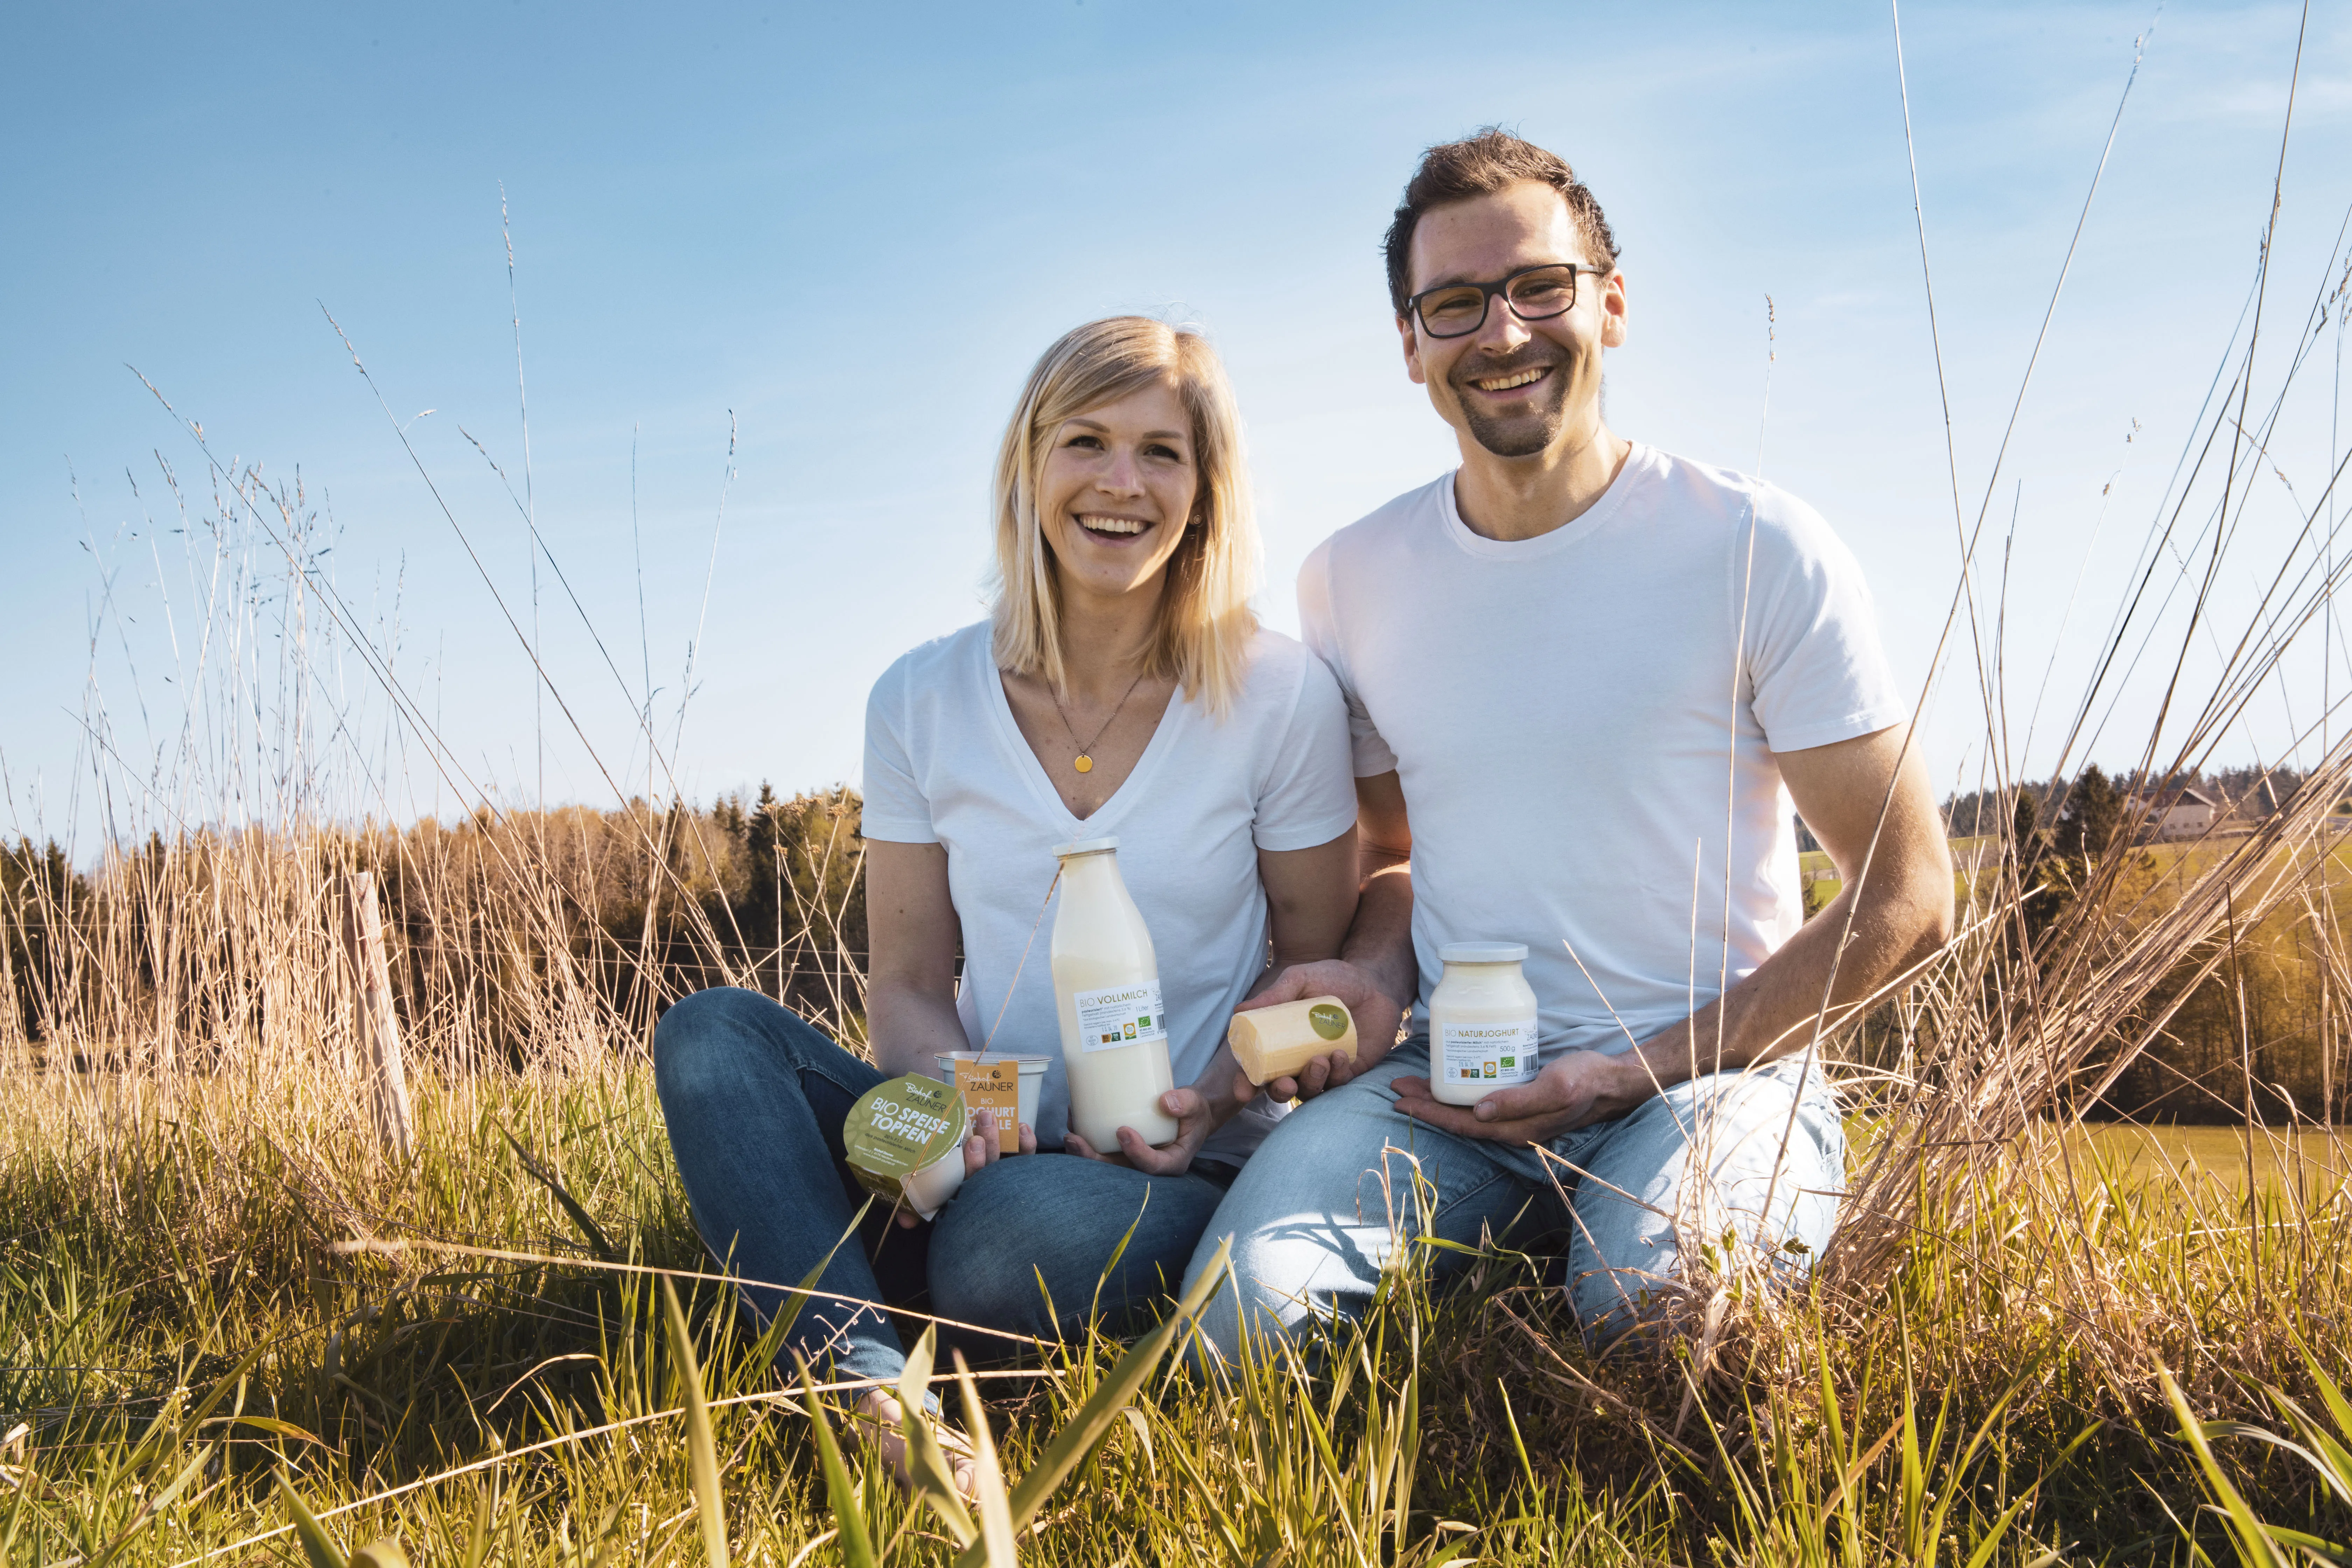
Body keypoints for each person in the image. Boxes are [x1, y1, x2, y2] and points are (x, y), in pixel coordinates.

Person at [1181, 130, 1955, 1359]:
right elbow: (1395, 860)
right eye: (1455, 304)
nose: (1502, 333)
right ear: (1411, 346)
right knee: (1238, 1334)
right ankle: (1526, 1244)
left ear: (1613, 306)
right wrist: (1377, 984)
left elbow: (1911, 888)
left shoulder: (1759, 544)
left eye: (1539, 288)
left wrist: (1624, 1074)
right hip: (1443, 1090)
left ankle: (1609, 1256)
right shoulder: (1352, 580)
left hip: (1715, 1083)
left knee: (1668, 1337)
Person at [653, 316, 1358, 1485]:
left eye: (1162, 452)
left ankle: (837, 1283)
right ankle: (875, 1401)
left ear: (1206, 487)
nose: (1120, 483)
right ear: (1030, 468)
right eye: (1085, 441)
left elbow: (1312, 977)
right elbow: (911, 986)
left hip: (1181, 1170)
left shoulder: (1279, 694)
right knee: (713, 1037)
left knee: (1003, 1248)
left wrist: (1211, 1099)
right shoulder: (920, 699)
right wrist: (963, 1102)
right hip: (974, 1149)